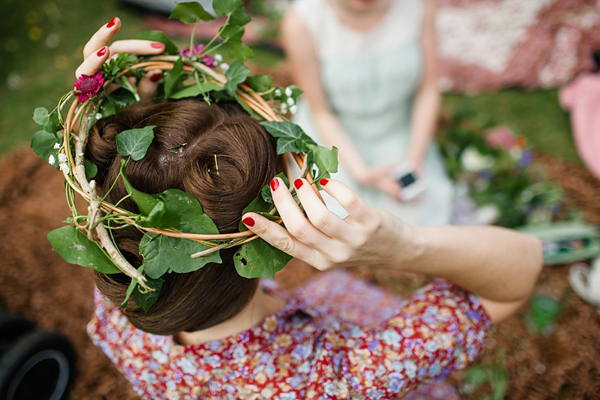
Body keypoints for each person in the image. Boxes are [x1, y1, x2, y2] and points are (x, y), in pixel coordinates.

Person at [81, 19, 542, 399]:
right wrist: (404, 244)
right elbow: (516, 276)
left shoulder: (121, 300)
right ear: (267, 226)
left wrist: (121, 120)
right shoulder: (342, 375)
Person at [281, 0, 454, 225]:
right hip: (333, 140)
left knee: (416, 225)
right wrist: (361, 172)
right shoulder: (301, 23)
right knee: (336, 220)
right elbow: (321, 111)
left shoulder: (419, 5)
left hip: (400, 133)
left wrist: (414, 158)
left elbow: (428, 88)